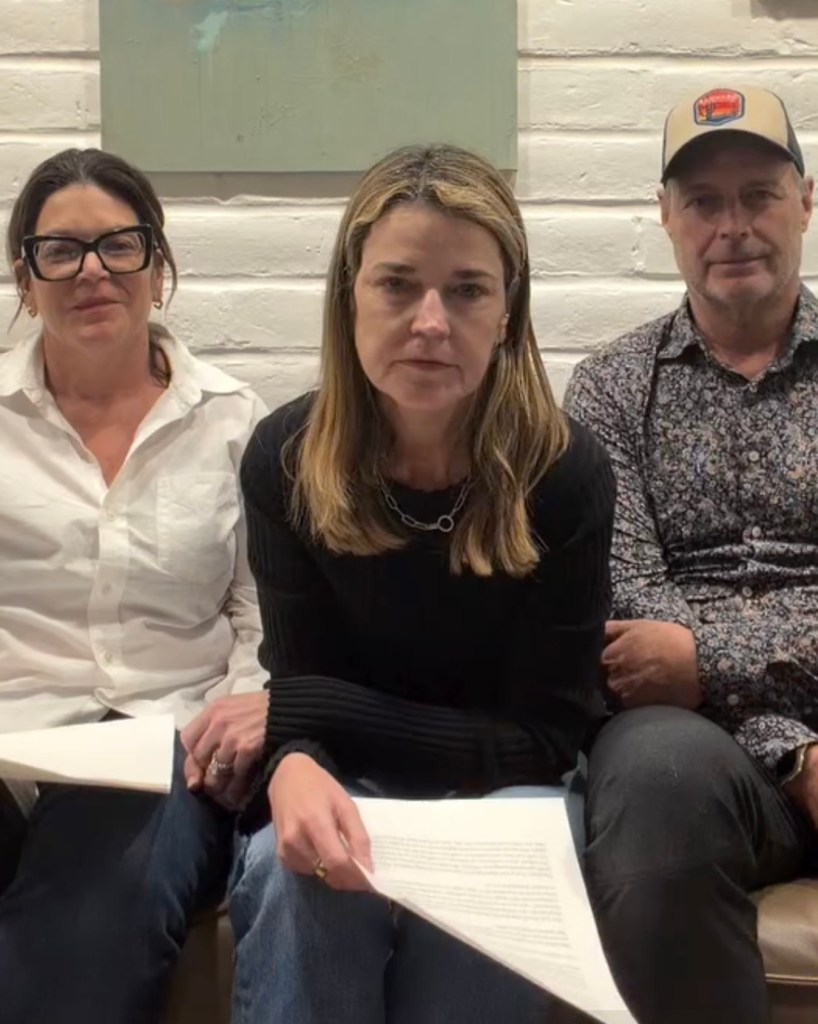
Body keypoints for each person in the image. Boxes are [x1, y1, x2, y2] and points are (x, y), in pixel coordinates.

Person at [226, 143, 615, 1024]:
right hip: (348, 774)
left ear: (509, 314)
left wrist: (299, 717)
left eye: (468, 290)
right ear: (349, 299)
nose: (431, 321)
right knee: (302, 882)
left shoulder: (566, 474)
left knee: (503, 879)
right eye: (397, 285)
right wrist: (293, 757)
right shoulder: (285, 459)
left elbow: (546, 738)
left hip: (506, 794)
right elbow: (304, 688)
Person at [564, 86, 818, 1024]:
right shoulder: (608, 388)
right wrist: (792, 753)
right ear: (667, 219)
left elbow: (677, 649)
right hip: (695, 749)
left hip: (708, 693)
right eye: (704, 202)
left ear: (807, 202)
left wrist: (705, 656)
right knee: (653, 783)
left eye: (758, 193)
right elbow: (632, 617)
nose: (734, 226)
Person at [0, 147, 269, 1023]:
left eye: (120, 246)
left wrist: (245, 709)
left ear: (159, 269)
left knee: (97, 896)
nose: (91, 272)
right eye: (60, 250)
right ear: (24, 275)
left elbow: (263, 617)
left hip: (165, 747)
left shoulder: (234, 422)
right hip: (10, 742)